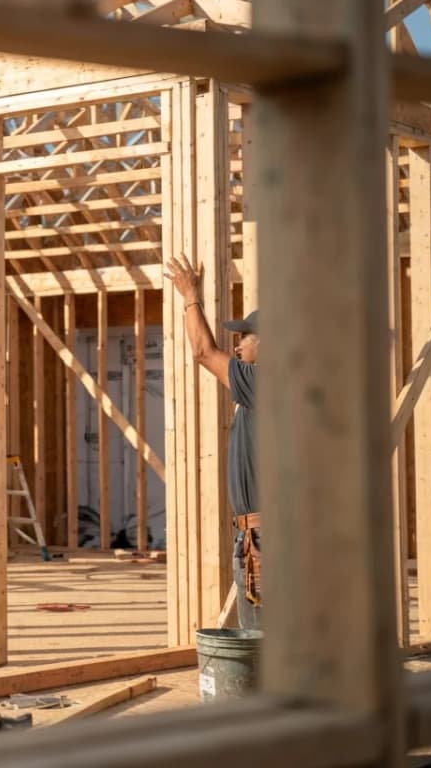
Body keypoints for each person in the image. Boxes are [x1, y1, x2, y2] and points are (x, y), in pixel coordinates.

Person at [163, 254, 261, 629]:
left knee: (265, 643)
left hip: (267, 537)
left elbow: (204, 352)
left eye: (244, 339)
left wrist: (190, 296)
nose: (236, 348)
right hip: (260, 534)